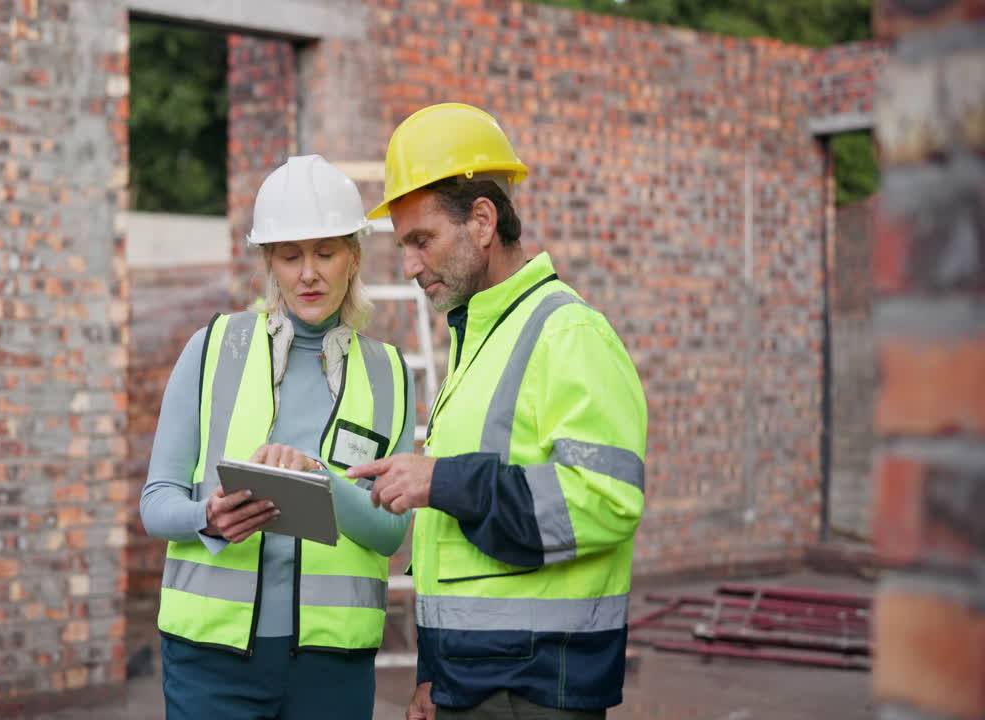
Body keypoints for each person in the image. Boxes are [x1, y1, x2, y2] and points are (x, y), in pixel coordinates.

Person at [347, 103, 648, 719]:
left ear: (482, 220)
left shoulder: (567, 333)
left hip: (535, 687)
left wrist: (442, 479)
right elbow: (450, 547)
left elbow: (606, 500)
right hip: (475, 682)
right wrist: (435, 674)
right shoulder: (478, 340)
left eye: (422, 240)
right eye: (405, 245)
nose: (408, 266)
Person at [139, 154, 416, 720]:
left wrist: (317, 479)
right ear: (270, 260)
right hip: (210, 664)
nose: (307, 273)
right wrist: (206, 518)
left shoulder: (390, 374)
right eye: (290, 256)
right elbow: (155, 502)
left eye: (325, 253)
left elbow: (390, 533)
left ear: (353, 257)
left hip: (330, 669)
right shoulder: (212, 350)